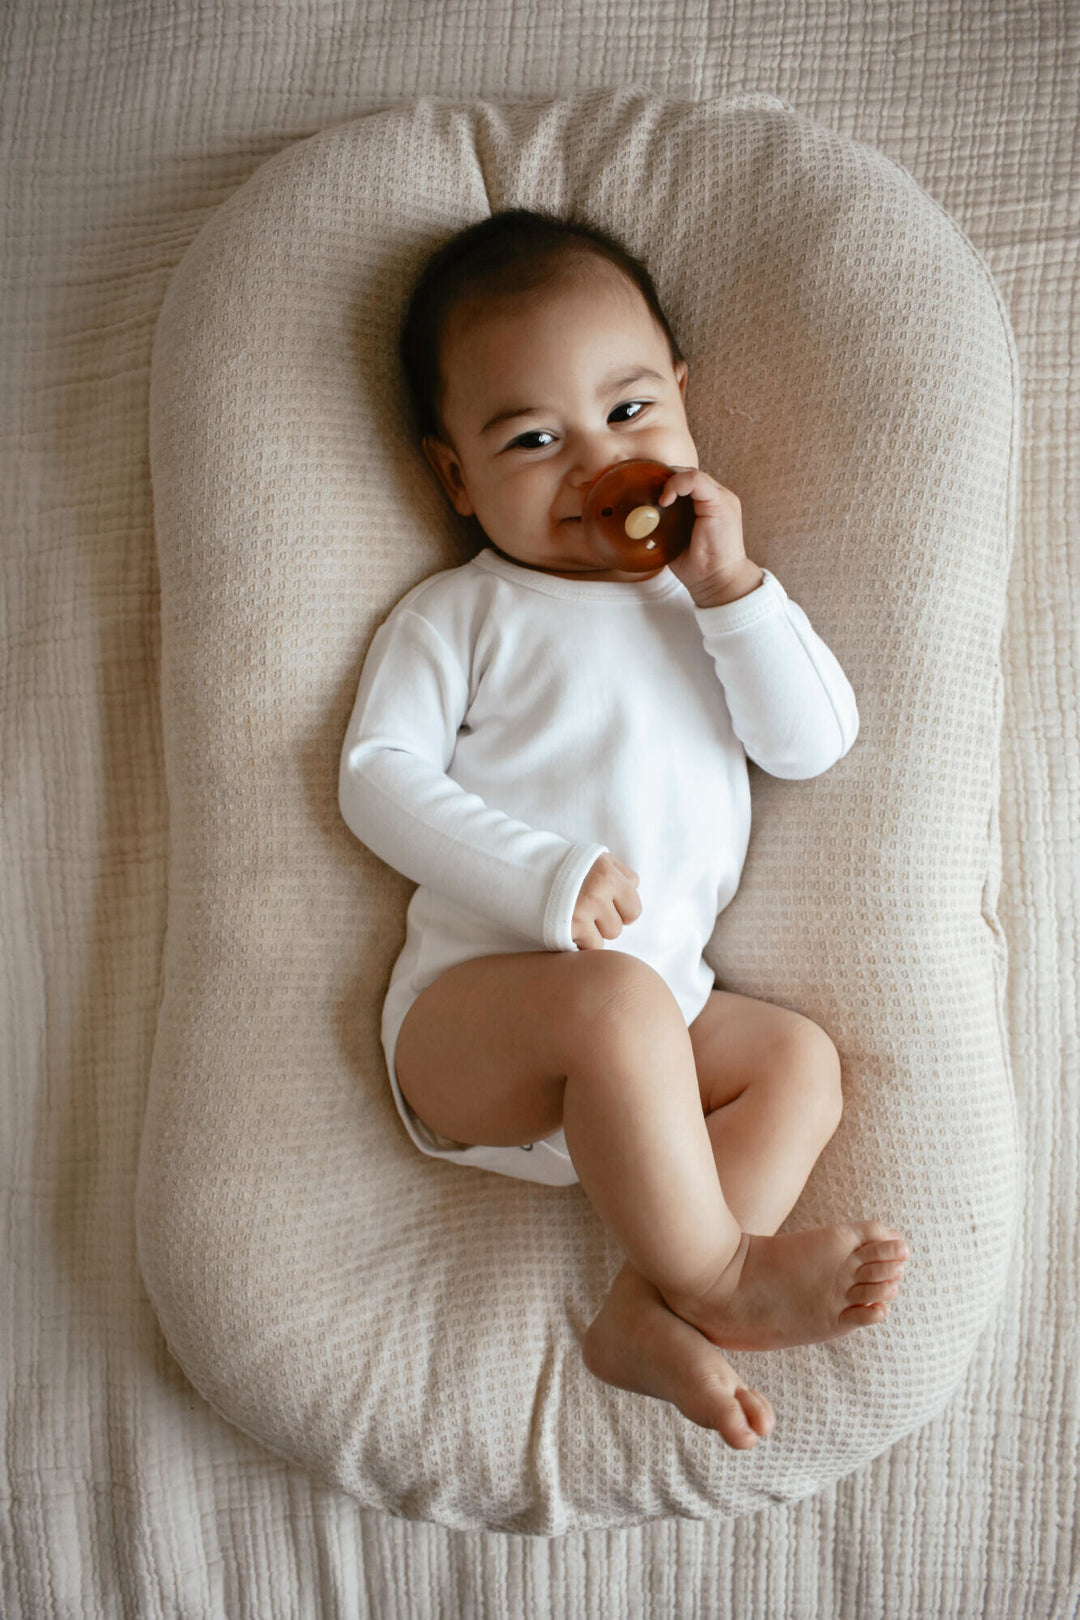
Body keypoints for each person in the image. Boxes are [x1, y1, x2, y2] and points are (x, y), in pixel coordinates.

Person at [339, 209, 908, 1450]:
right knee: (614, 1004)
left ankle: (648, 1316)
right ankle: (719, 1278)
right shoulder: (463, 614)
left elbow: (812, 744)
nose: (597, 461)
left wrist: (735, 593)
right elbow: (375, 779)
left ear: (686, 407)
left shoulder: (712, 602)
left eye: (632, 413)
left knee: (795, 1061)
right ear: (454, 476)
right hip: (477, 1029)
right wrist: (545, 879)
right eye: (534, 438)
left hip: (656, 1038)